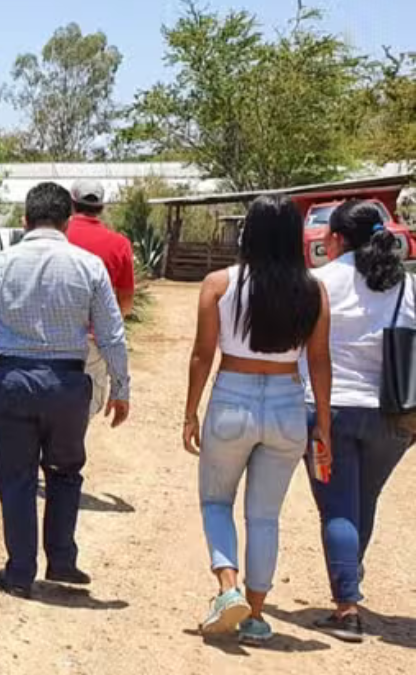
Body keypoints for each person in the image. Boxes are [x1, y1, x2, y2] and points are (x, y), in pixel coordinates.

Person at [0, 181, 131, 599]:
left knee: (16, 479)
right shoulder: (89, 266)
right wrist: (121, 387)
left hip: (12, 380)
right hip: (68, 384)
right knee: (66, 472)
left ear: (24, 220)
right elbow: (112, 335)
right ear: (67, 221)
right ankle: (62, 558)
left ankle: (19, 572)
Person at [181, 194, 332, 644]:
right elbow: (320, 361)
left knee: (215, 502)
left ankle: (228, 589)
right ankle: (257, 615)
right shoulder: (312, 290)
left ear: (249, 232)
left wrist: (190, 412)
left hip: (233, 398)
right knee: (265, 516)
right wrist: (322, 424)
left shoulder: (219, 284)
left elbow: (202, 355)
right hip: (288, 403)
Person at [301, 199, 414, 643]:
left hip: (330, 411)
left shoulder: (320, 283)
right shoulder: (406, 286)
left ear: (337, 239)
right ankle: (349, 577)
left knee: (337, 506)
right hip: (393, 414)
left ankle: (346, 606)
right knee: (363, 501)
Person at [67, 180, 136, 419]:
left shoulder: (55, 238)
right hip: (93, 344)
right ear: (102, 207)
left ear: (71, 204)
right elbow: (125, 303)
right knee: (76, 423)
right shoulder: (119, 244)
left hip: (45, 340)